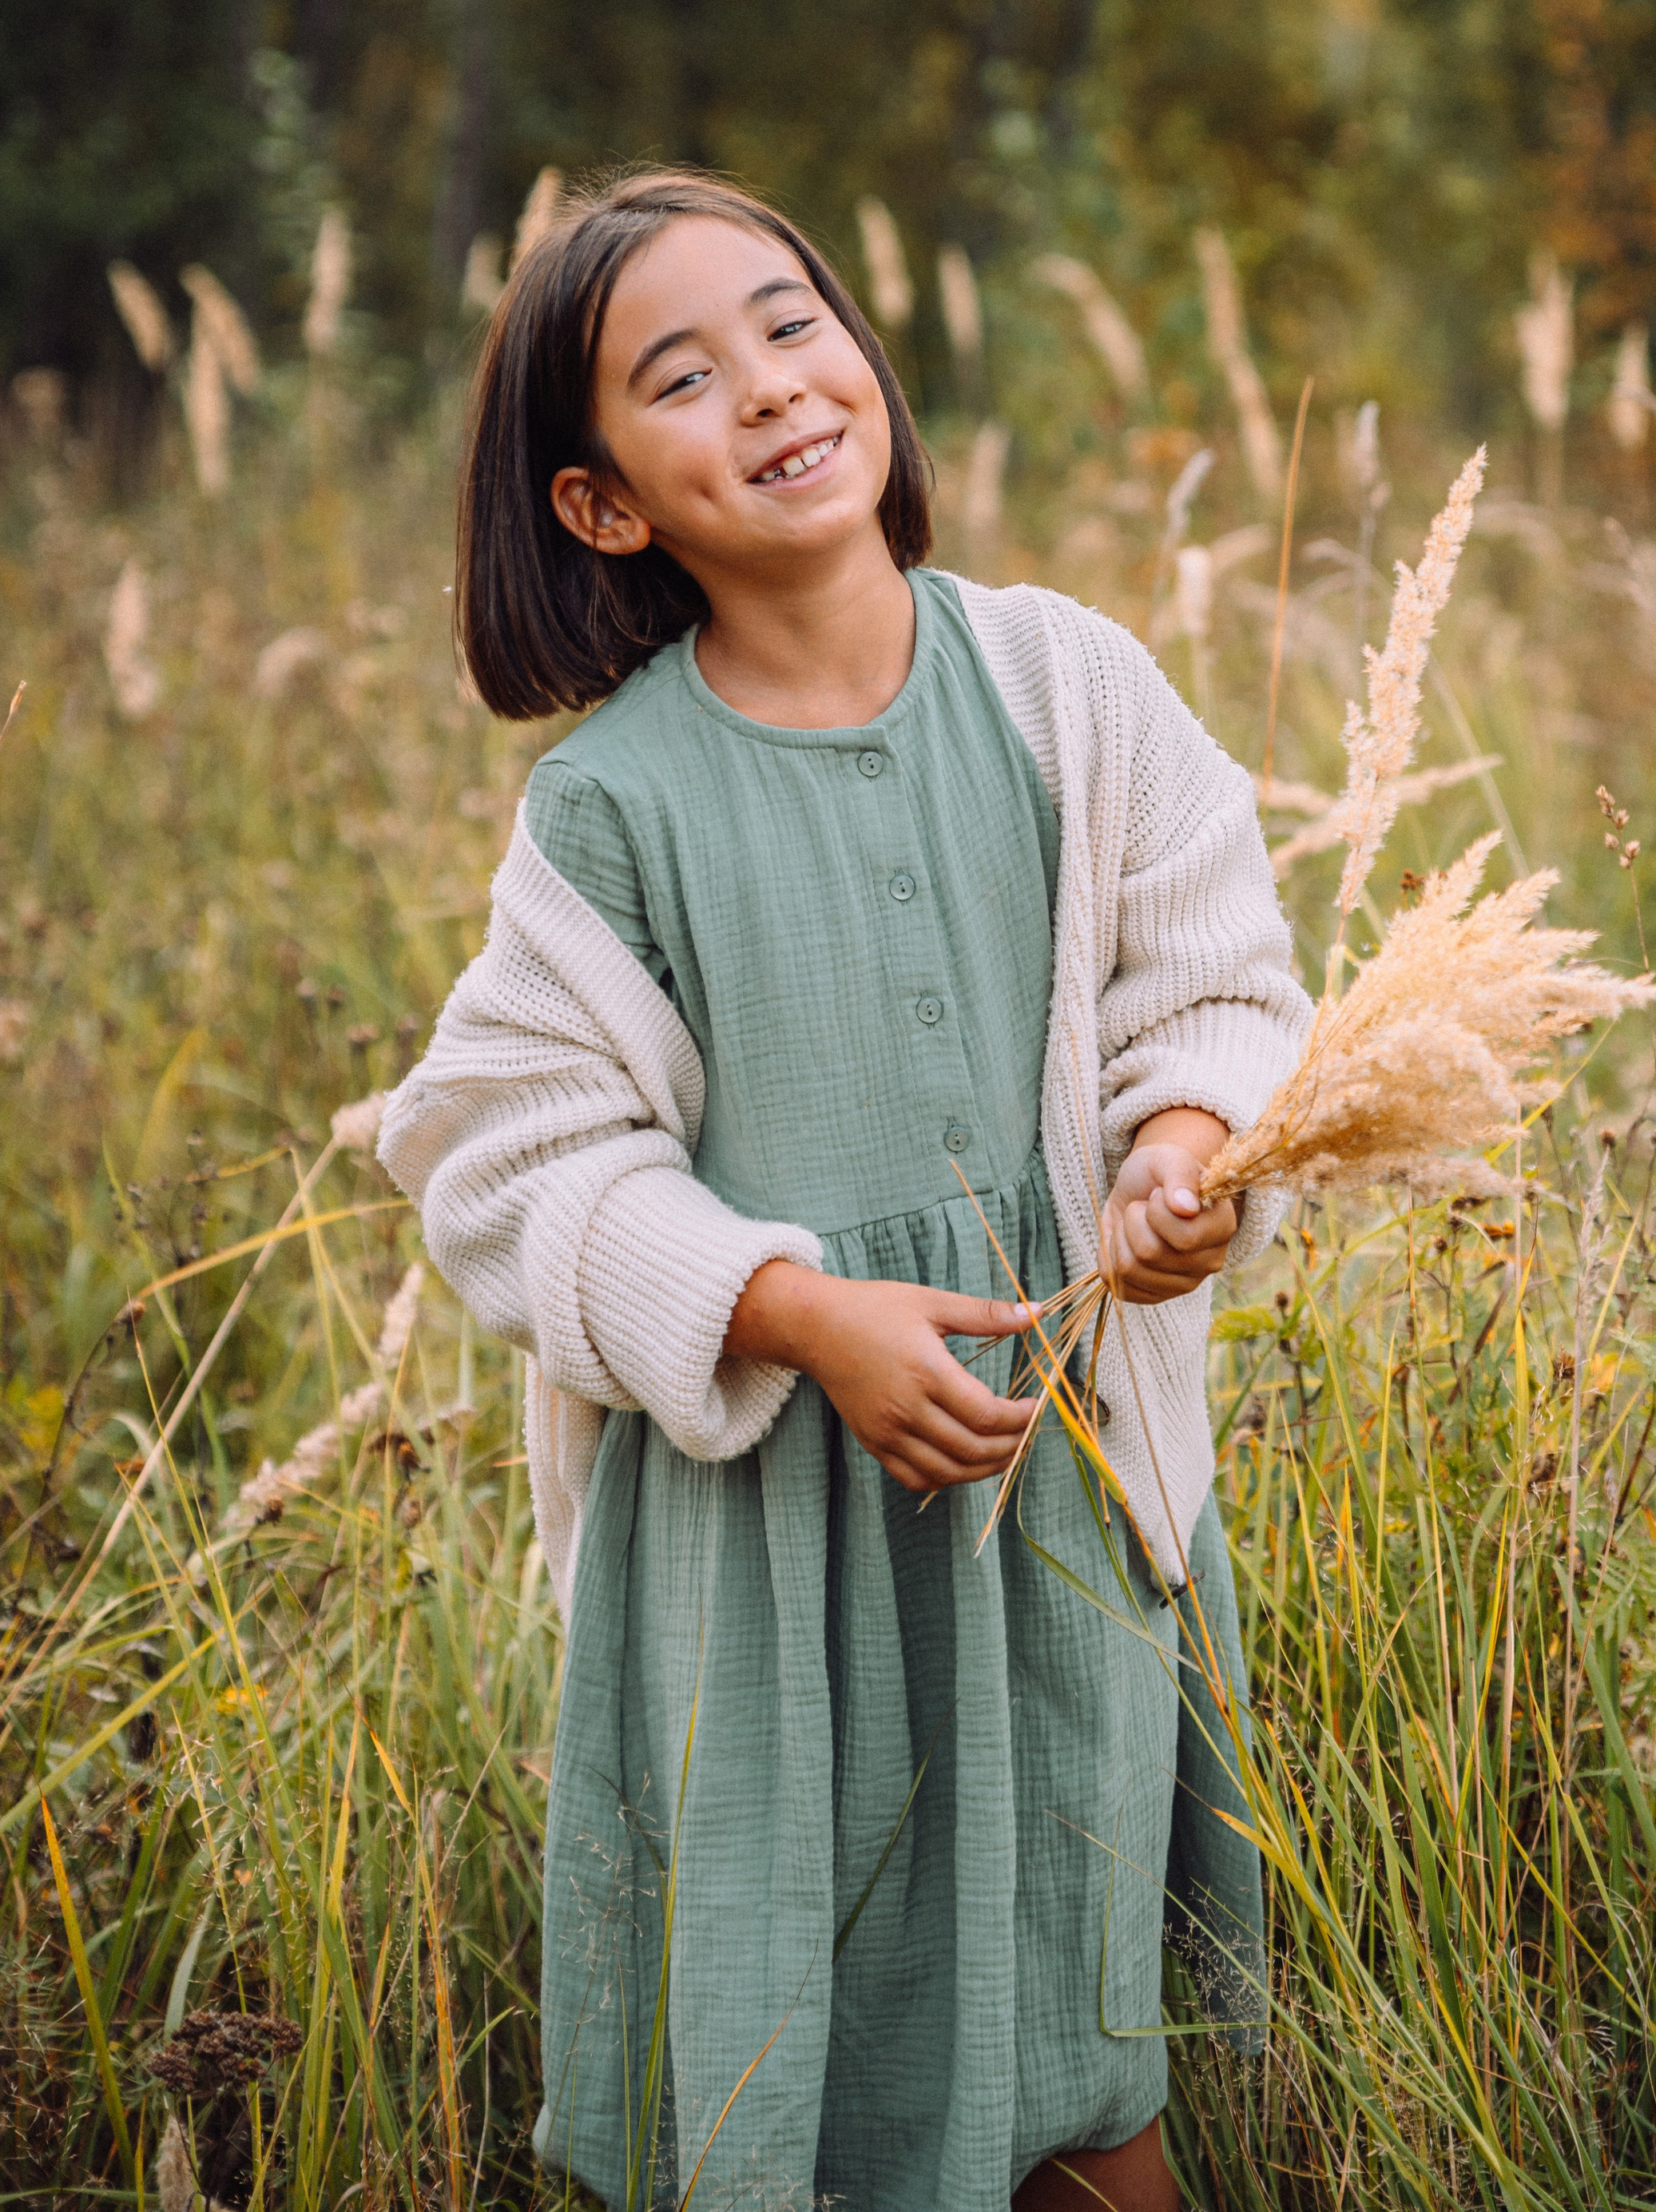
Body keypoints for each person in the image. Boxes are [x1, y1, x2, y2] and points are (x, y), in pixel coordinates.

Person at [379, 171, 1309, 2212]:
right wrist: (792, 1309)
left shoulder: (1064, 683)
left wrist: (1178, 1156)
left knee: (1085, 2061)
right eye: (681, 377)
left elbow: (1213, 972)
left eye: (791, 322)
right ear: (606, 503)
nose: (772, 388)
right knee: (811, 2043)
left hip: (1053, 1479)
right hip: (779, 1538)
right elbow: (500, 1151)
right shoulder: (611, 805)